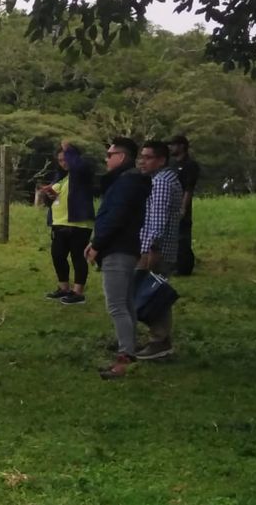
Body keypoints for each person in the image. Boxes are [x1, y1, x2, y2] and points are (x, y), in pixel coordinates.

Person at [84, 138, 151, 380]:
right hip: (125, 247)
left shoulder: (125, 183)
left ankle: (124, 358)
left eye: (109, 154)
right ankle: (129, 352)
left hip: (117, 249)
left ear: (121, 157)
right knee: (126, 303)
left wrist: (98, 244)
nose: (106, 158)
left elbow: (116, 217)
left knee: (116, 305)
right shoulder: (128, 182)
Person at [136, 141, 183, 360]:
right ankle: (156, 339)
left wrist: (152, 248)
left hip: (156, 249)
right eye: (141, 157)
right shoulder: (163, 179)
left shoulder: (162, 182)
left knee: (153, 294)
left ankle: (160, 341)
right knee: (151, 292)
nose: (142, 162)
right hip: (158, 246)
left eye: (148, 157)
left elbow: (158, 218)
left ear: (161, 160)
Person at [40, 141, 95, 305]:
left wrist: (68, 149)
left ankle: (78, 292)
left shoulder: (81, 173)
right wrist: (49, 195)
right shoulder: (61, 177)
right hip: (59, 222)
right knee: (57, 255)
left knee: (78, 256)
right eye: (61, 160)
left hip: (78, 223)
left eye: (67, 159)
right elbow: (55, 198)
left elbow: (80, 166)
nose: (64, 163)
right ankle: (63, 287)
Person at [168, 135, 200, 275]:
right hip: (169, 204)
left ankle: (184, 266)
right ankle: (173, 264)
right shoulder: (171, 164)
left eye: (173, 145)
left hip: (181, 205)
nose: (171, 147)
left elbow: (189, 188)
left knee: (182, 237)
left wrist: (183, 208)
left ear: (181, 146)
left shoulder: (190, 165)